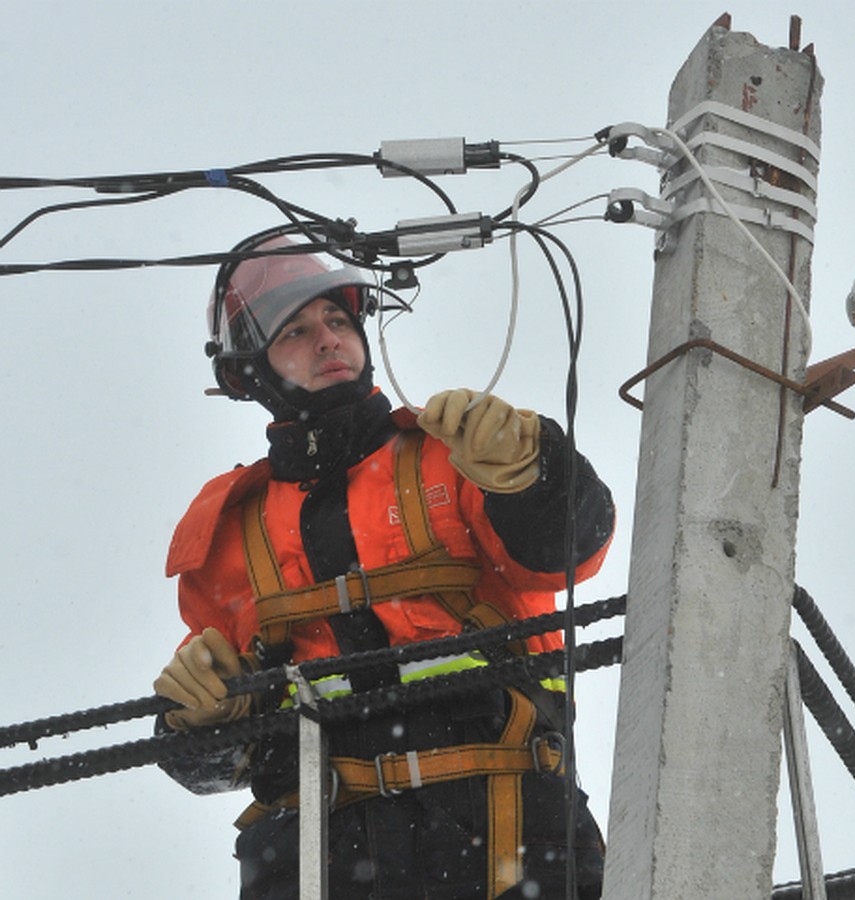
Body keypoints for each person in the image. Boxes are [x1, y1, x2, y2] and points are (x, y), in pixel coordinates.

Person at [152, 233, 615, 899]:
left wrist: (537, 470)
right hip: (319, 862)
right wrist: (194, 724)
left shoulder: (456, 454)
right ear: (244, 373)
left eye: (338, 320)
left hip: (505, 839)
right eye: (296, 330)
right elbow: (211, 767)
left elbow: (568, 550)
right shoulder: (229, 537)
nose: (329, 339)